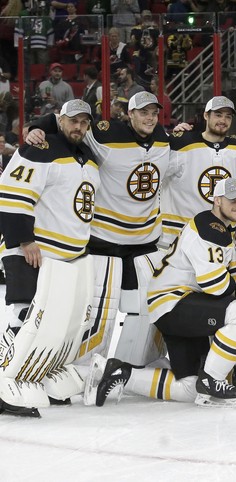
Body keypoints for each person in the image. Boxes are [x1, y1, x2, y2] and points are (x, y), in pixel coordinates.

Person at [85, 178, 236, 407]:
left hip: (178, 304)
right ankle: (216, 378)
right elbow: (215, 285)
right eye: (232, 200)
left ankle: (120, 373)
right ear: (217, 200)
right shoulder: (211, 228)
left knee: (192, 388)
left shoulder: (217, 226)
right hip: (175, 303)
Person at [24, 91, 171, 363]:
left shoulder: (163, 137)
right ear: (130, 114)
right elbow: (65, 122)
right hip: (106, 239)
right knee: (102, 311)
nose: (149, 118)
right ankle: (86, 367)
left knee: (151, 306)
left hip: (146, 240)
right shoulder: (105, 133)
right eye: (143, 112)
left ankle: (136, 365)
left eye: (153, 112)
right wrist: (35, 128)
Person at [0, 100, 98, 334]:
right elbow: (12, 195)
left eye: (84, 123)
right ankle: (7, 366)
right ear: (60, 120)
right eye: (73, 121)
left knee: (52, 324)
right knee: (25, 317)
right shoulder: (40, 147)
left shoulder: (88, 155)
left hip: (67, 258)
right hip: (34, 251)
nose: (79, 127)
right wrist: (25, 240)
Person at [161, 96, 236, 245]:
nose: (223, 120)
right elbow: (155, 174)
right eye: (218, 115)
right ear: (206, 115)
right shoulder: (181, 143)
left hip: (220, 239)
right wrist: (168, 137)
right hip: (177, 237)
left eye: (228, 116)